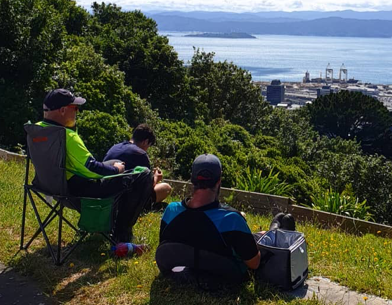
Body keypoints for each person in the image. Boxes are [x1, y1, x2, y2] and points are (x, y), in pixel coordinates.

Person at [36, 88, 154, 242]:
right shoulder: (66, 136)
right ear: (63, 110)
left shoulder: (37, 130)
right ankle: (121, 234)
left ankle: (105, 226)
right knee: (143, 174)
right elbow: (92, 168)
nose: (77, 112)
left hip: (49, 186)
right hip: (78, 192)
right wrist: (115, 169)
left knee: (114, 163)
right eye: (75, 108)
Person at [155, 154, 261, 284]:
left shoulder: (171, 211)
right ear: (219, 181)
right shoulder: (231, 219)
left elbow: (165, 244)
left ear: (192, 179)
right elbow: (254, 264)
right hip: (223, 277)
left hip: (180, 271)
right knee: (268, 232)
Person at [104, 124, 172, 205]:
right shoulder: (140, 153)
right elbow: (148, 186)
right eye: (148, 146)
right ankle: (146, 206)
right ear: (146, 142)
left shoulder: (115, 147)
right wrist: (156, 177)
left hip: (104, 191)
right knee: (166, 188)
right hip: (123, 199)